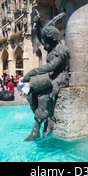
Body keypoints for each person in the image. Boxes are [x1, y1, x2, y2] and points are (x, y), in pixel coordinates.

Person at [22, 10, 70, 141]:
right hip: (51, 76)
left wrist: (31, 72)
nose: (44, 41)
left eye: (46, 38)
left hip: (60, 77)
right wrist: (37, 25)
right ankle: (46, 118)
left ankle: (36, 130)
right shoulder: (50, 47)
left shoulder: (61, 50)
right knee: (31, 96)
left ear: (51, 37)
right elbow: (40, 37)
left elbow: (52, 66)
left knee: (43, 97)